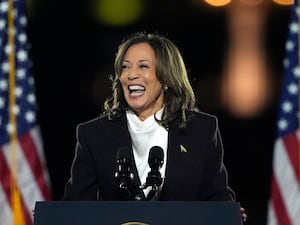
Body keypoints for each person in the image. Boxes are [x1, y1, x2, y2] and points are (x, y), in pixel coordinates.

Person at [62, 31, 246, 221]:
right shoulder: (93, 134)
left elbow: (217, 197)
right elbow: (76, 204)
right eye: (125, 67)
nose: (131, 75)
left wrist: (228, 213)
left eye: (143, 66)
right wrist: (53, 216)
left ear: (166, 78)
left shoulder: (201, 129)